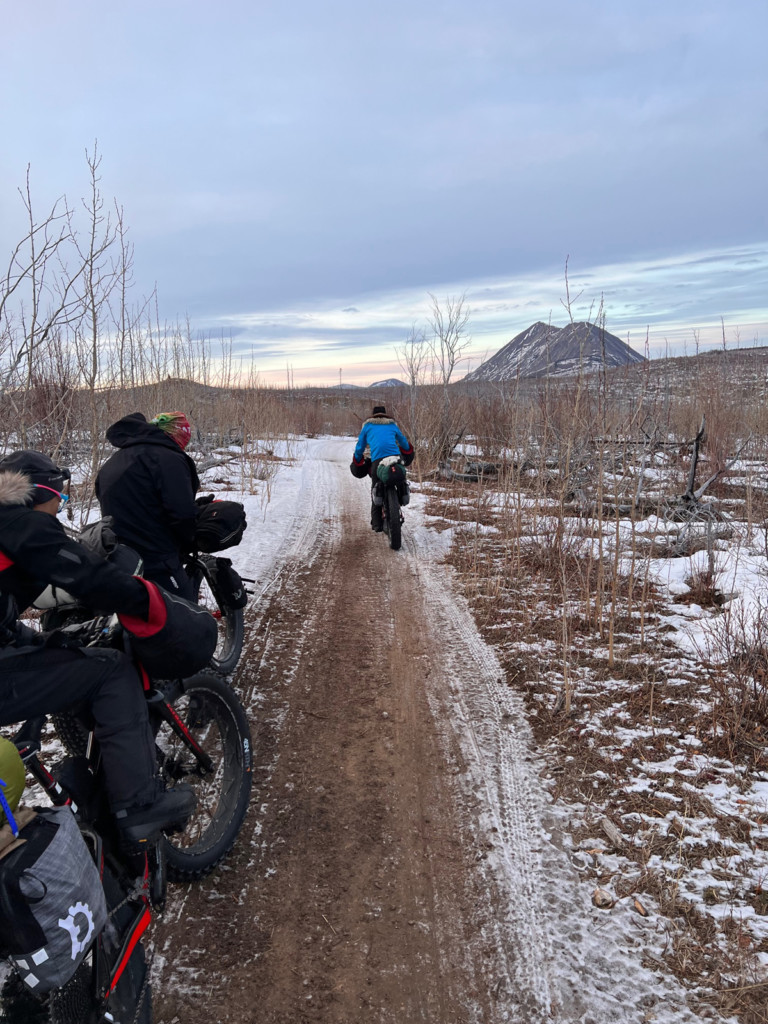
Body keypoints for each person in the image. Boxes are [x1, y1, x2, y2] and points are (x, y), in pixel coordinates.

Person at [0, 449, 195, 847]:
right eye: (61, 499)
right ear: (40, 493)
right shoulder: (21, 522)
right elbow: (88, 574)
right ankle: (140, 805)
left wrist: (33, 639)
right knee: (111, 670)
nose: (59, 509)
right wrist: (149, 601)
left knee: (56, 657)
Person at [95, 411, 199, 600]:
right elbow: (182, 514)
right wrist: (189, 541)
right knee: (186, 610)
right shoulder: (168, 458)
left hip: (119, 556)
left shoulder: (114, 461)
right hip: (156, 558)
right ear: (175, 435)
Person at [352, 405, 414, 532]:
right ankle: (401, 496)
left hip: (377, 461)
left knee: (376, 487)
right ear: (385, 415)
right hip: (395, 458)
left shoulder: (367, 426)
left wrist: (357, 460)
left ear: (373, 415)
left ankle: (377, 523)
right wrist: (408, 451)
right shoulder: (392, 425)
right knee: (400, 478)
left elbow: (360, 447)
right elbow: (403, 441)